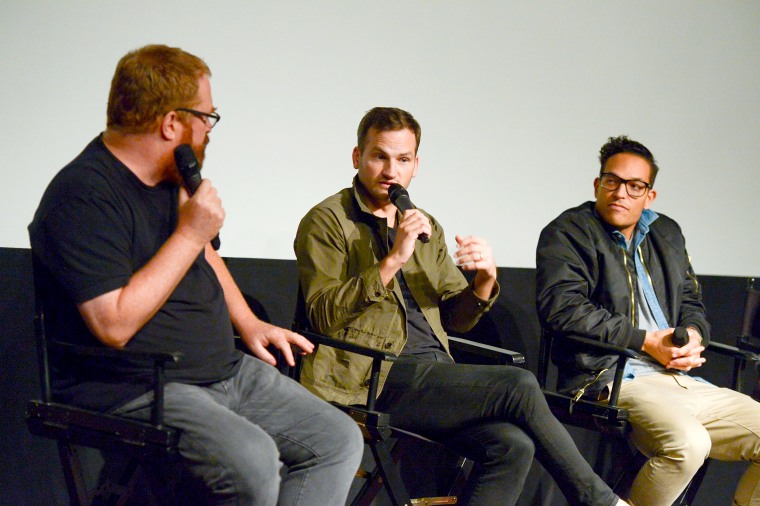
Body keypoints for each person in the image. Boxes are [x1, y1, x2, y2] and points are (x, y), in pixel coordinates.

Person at [28, 44, 362, 506]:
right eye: (206, 117)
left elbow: (204, 254)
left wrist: (249, 323)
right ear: (171, 123)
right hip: (141, 386)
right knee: (252, 461)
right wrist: (188, 234)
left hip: (222, 370)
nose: (209, 130)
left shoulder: (171, 178)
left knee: (337, 439)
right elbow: (113, 324)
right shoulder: (81, 197)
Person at [294, 106, 627, 506]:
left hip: (433, 374)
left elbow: (457, 318)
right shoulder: (326, 221)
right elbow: (323, 316)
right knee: (518, 383)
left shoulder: (423, 225)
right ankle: (599, 501)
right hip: (372, 378)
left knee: (513, 445)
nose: (390, 170)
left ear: (416, 165)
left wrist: (485, 281)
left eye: (402, 159)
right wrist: (392, 260)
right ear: (357, 157)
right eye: (379, 156)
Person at [535, 135, 760, 506]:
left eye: (634, 185)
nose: (620, 192)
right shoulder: (567, 232)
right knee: (689, 445)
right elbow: (562, 308)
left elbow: (691, 302)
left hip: (676, 378)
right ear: (597, 184)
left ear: (649, 195)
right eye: (612, 181)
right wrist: (642, 341)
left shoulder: (666, 233)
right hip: (609, 376)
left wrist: (691, 337)